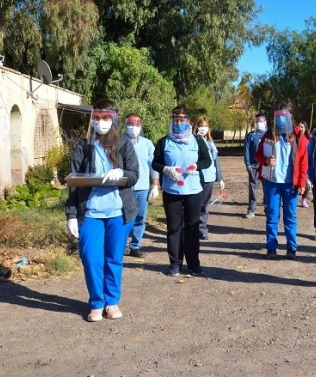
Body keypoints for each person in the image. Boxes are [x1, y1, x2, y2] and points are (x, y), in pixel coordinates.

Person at [65, 98, 139, 322]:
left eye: (106, 117)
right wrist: (71, 215)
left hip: (118, 212)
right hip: (90, 213)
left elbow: (134, 175)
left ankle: (111, 301)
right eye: (96, 118)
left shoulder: (124, 145)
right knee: (90, 257)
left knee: (114, 257)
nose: (100, 122)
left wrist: (122, 173)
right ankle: (96, 302)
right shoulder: (84, 146)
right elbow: (73, 181)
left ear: (114, 118)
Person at [152, 105, 212, 277]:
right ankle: (175, 263)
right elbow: (155, 163)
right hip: (172, 191)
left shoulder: (198, 141)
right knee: (174, 227)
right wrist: (165, 169)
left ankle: (193, 263)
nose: (178, 122)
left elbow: (207, 161)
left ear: (188, 121)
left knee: (193, 227)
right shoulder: (164, 141)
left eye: (182, 119)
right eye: (175, 119)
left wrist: (197, 166)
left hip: (193, 190)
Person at [255, 103, 309, 260]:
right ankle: (271, 248)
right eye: (278, 116)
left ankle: (291, 248)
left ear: (290, 116)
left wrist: (302, 183)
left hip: (290, 184)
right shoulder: (269, 135)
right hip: (272, 182)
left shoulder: (299, 136)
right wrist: (265, 160)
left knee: (290, 216)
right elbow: (257, 155)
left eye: (284, 116)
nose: (281, 119)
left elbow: (304, 162)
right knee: (272, 216)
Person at [123, 113, 159, 258]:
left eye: (137, 124)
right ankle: (121, 245)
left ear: (141, 125)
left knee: (140, 218)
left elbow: (154, 165)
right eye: (131, 123)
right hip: (124, 187)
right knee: (123, 217)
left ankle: (135, 246)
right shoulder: (119, 142)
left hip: (142, 188)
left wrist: (155, 184)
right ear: (126, 125)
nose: (134, 127)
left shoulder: (147, 144)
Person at [194, 116, 225, 240]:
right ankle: (190, 229)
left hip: (209, 177)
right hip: (197, 177)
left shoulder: (210, 142)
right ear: (196, 127)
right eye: (201, 126)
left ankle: (202, 229)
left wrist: (220, 178)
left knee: (204, 205)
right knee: (193, 204)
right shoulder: (193, 140)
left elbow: (216, 161)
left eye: (206, 126)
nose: (204, 128)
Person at [244, 113, 267, 219]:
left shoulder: (269, 135)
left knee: (267, 188)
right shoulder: (250, 135)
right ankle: (252, 209)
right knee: (253, 188)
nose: (258, 123)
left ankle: (268, 208)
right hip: (253, 166)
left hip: (266, 166)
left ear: (265, 122)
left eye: (261, 121)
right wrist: (247, 164)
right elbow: (247, 150)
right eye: (257, 121)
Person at [297, 121, 313, 208]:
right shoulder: (294, 139)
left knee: (307, 184)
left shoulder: (309, 140)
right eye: (299, 126)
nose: (300, 128)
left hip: (307, 164)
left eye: (302, 127)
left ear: (305, 129)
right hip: (297, 164)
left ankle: (304, 199)